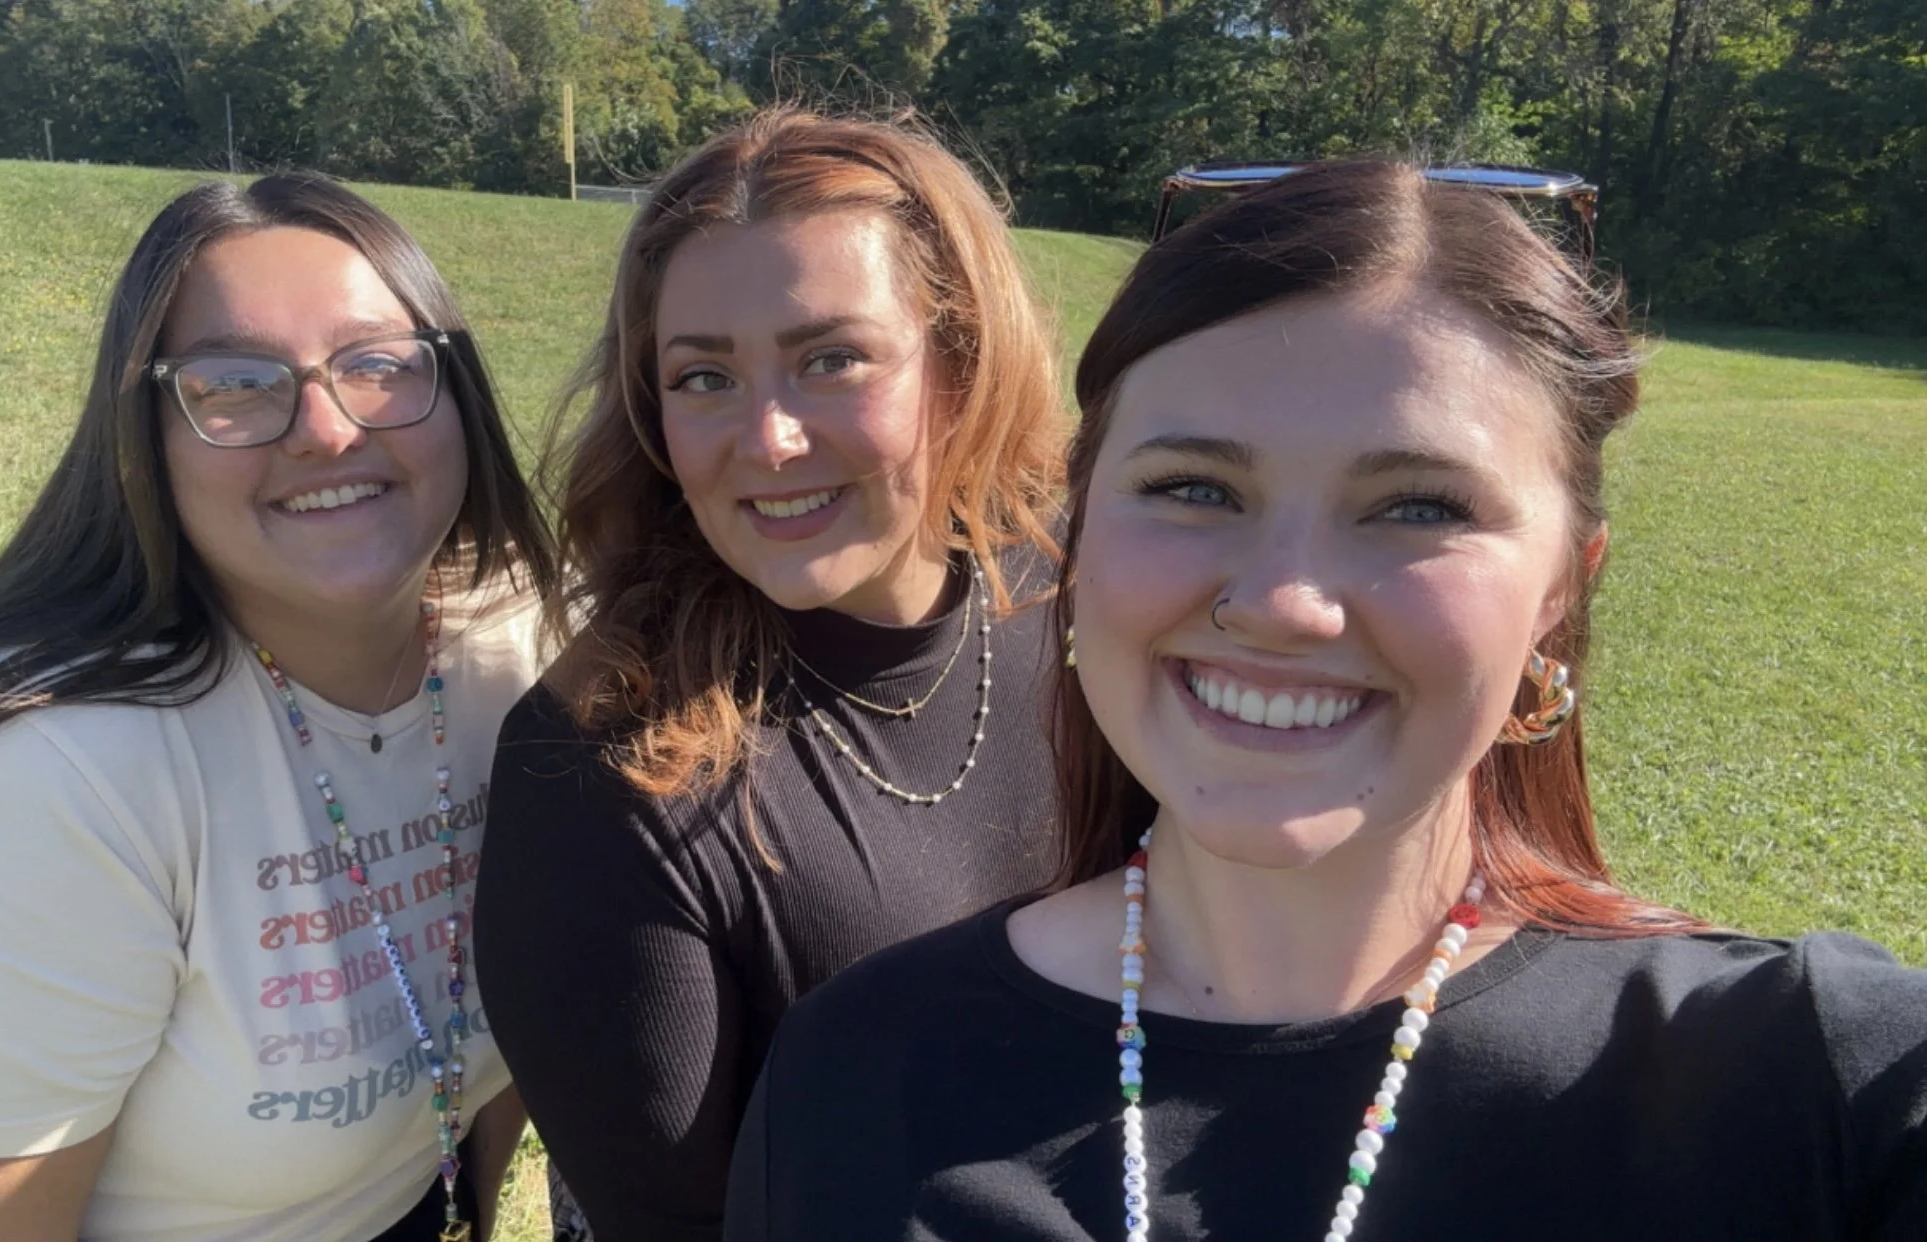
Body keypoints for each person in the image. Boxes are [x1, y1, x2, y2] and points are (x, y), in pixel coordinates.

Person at [724, 160, 1927, 1240]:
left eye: (1419, 507)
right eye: (1194, 487)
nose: (1287, 603)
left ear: (1563, 586)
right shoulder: (854, 1076)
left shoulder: (1804, 1075)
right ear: (1078, 538)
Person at [0, 172, 555, 1242]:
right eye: (235, 385)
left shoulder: (526, 656)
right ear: (146, 439)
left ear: (460, 396)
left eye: (381, 366)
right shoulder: (39, 771)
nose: (325, 429)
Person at [472, 108, 1076, 1242]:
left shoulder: (1083, 602)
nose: (771, 437)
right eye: (704, 377)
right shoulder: (605, 776)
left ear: (963, 361)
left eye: (831, 359)